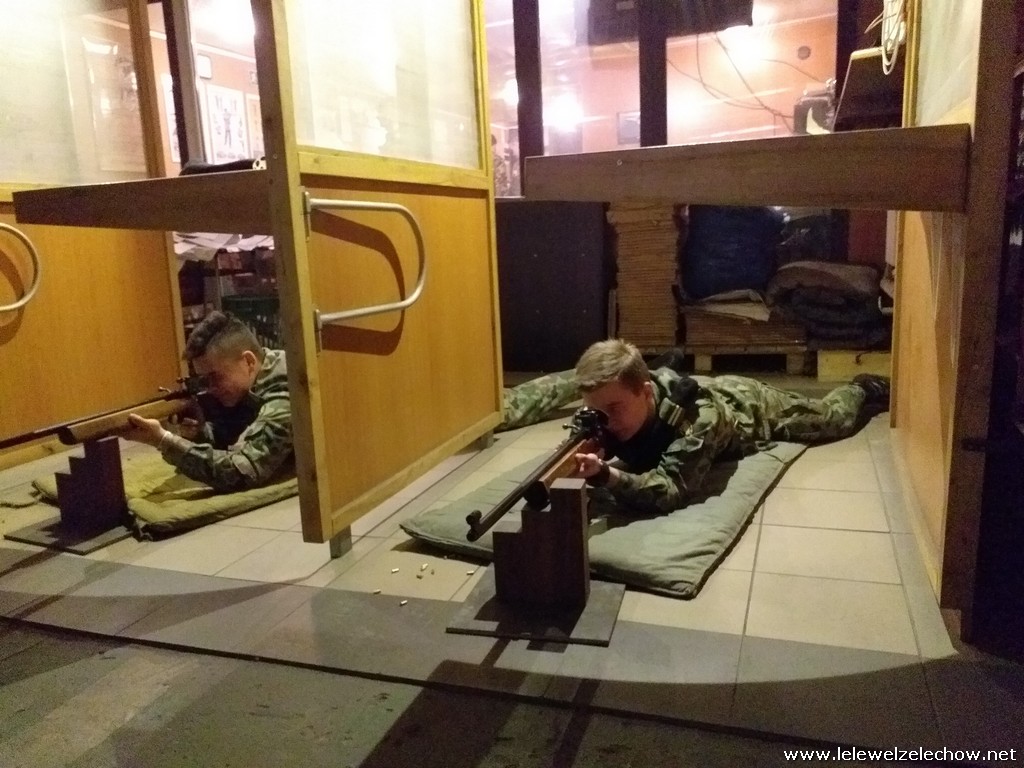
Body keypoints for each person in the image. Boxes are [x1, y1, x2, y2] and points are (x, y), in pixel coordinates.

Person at [498, 339, 890, 516]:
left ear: (645, 393)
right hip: (655, 390)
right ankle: (663, 367)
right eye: (594, 409)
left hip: (747, 405)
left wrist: (608, 476)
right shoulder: (608, 401)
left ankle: (862, 387)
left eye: (614, 409)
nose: (604, 420)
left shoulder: (698, 421)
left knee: (833, 420)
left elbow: (671, 491)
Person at [120, 311, 292, 492]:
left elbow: (242, 472)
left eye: (215, 377)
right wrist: (200, 432)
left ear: (249, 361)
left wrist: (163, 440)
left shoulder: (285, 394)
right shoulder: (253, 381)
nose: (210, 388)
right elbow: (231, 438)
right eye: (203, 380)